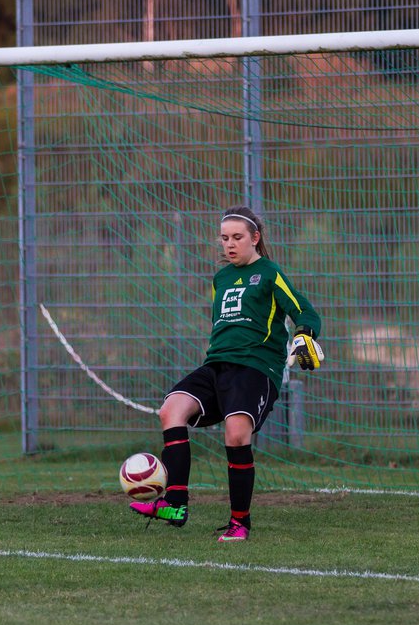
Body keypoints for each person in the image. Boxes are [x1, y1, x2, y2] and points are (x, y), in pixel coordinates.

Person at [130, 205, 324, 542]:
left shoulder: (268, 273)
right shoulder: (221, 278)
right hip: (216, 365)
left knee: (235, 435)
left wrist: (304, 334)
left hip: (255, 368)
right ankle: (175, 504)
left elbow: (304, 310)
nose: (229, 244)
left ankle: (240, 523)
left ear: (255, 238)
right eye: (224, 238)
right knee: (171, 410)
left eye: (237, 237)